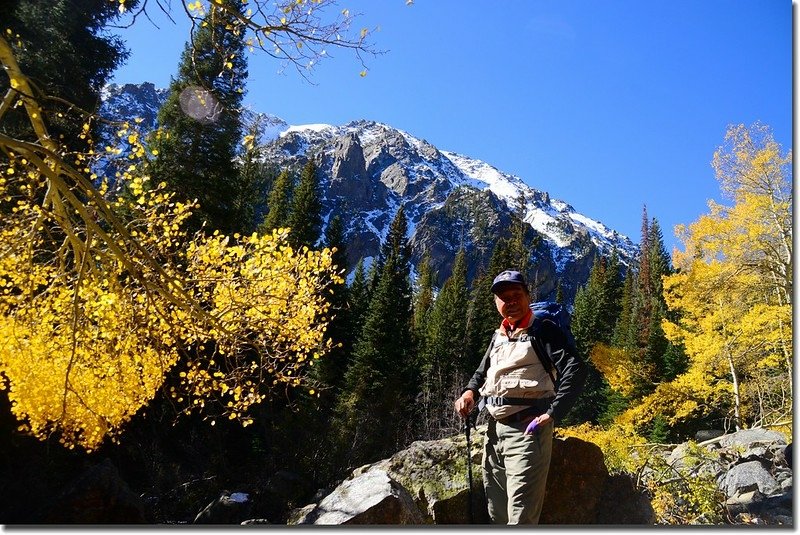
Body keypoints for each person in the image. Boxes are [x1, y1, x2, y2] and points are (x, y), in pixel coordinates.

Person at [454, 269, 587, 524]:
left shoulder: (543, 330)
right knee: (497, 511)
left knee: (521, 517)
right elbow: (482, 371)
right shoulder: (500, 335)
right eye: (504, 297)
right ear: (496, 303)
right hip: (493, 432)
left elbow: (576, 369)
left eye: (517, 295)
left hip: (527, 432)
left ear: (527, 296)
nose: (511, 301)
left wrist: (553, 413)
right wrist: (469, 393)